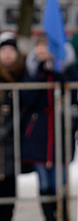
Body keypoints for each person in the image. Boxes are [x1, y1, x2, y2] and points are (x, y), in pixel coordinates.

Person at [21, 35, 73, 221]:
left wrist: (60, 71)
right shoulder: (31, 70)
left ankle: (63, 214)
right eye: (40, 48)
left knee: (61, 181)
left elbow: (73, 90)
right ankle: (49, 216)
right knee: (43, 181)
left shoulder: (64, 68)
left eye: (46, 48)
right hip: (38, 133)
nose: (43, 52)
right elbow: (28, 98)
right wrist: (39, 74)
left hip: (60, 131)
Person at [0, 32, 24, 221]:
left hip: (12, 142)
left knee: (9, 186)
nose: (7, 55)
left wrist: (7, 128)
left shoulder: (23, 75)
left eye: (11, 50)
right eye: (4, 50)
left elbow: (24, 108)